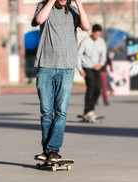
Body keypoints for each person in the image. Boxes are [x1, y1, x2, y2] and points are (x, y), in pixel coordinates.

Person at [32, 0, 90, 162]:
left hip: (66, 68)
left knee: (61, 112)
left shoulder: (72, 11)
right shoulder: (43, 7)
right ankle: (47, 150)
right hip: (45, 67)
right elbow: (39, 20)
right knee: (46, 112)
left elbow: (86, 27)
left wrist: (79, 3)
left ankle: (52, 150)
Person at [77, 24, 107, 121]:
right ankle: (89, 111)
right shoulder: (85, 42)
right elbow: (78, 55)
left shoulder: (101, 42)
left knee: (98, 89)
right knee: (91, 87)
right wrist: (80, 69)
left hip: (96, 68)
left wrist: (101, 63)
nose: (97, 36)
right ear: (92, 32)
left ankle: (88, 111)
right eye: (96, 34)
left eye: (99, 35)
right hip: (87, 68)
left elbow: (103, 55)